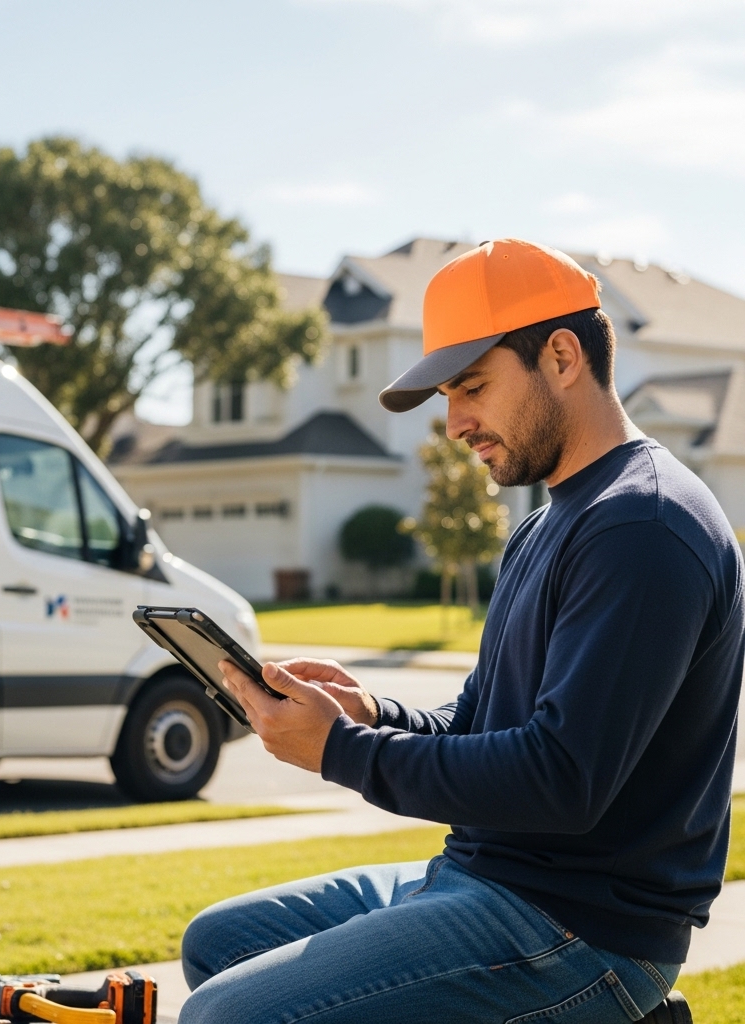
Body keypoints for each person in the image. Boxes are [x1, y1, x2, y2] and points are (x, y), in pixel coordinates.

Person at [178, 239, 744, 1024]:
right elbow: (480, 719)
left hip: (582, 927)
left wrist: (339, 752)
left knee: (226, 1017)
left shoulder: (643, 525)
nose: (454, 424)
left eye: (472, 386)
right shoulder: (546, 526)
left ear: (561, 355)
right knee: (220, 942)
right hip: (482, 876)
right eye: (449, 393)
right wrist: (369, 713)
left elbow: (560, 779)